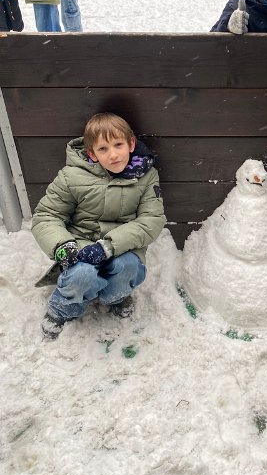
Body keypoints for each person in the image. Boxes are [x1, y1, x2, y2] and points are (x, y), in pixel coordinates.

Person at [31, 112, 166, 339]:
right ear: (92, 154)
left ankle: (116, 296)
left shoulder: (146, 176)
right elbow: (47, 215)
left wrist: (108, 246)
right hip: (81, 245)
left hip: (123, 246)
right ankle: (62, 309)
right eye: (103, 149)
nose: (113, 154)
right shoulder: (72, 176)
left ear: (131, 144)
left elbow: (152, 219)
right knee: (82, 274)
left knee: (128, 267)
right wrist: (63, 245)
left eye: (118, 144)